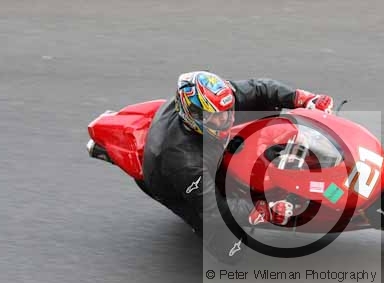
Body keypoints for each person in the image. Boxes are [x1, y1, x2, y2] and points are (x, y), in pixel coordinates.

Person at [142, 71, 333, 263]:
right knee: (232, 250)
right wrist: (261, 210)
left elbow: (259, 89)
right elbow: (215, 209)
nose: (224, 120)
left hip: (201, 149)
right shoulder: (183, 159)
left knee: (266, 108)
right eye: (215, 117)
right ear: (195, 116)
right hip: (171, 184)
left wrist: (303, 98)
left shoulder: (218, 100)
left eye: (226, 111)